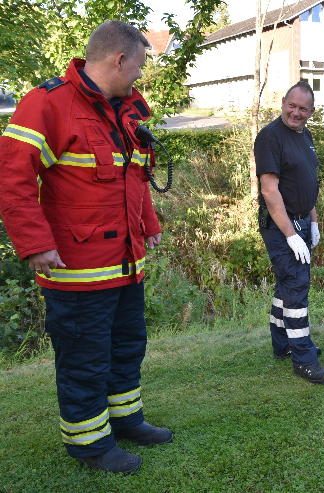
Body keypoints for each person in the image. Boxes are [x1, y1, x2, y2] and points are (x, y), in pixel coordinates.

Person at [0, 21, 170, 474]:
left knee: (127, 346)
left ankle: (126, 419)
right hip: (77, 271)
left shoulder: (127, 110)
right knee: (85, 359)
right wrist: (35, 244)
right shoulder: (47, 104)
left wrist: (148, 223)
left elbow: (135, 176)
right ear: (119, 60)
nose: (140, 75)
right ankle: (90, 444)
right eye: (139, 65)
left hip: (126, 265)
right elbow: (12, 181)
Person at [254, 81, 324, 384]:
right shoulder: (270, 137)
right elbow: (270, 191)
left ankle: (282, 343)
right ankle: (303, 358)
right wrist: (290, 233)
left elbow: (306, 181)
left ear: (311, 112)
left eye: (303, 109)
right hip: (281, 225)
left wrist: (312, 221)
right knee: (297, 288)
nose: (296, 113)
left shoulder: (305, 136)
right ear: (283, 102)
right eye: (292, 105)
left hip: (301, 220)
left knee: (287, 285)